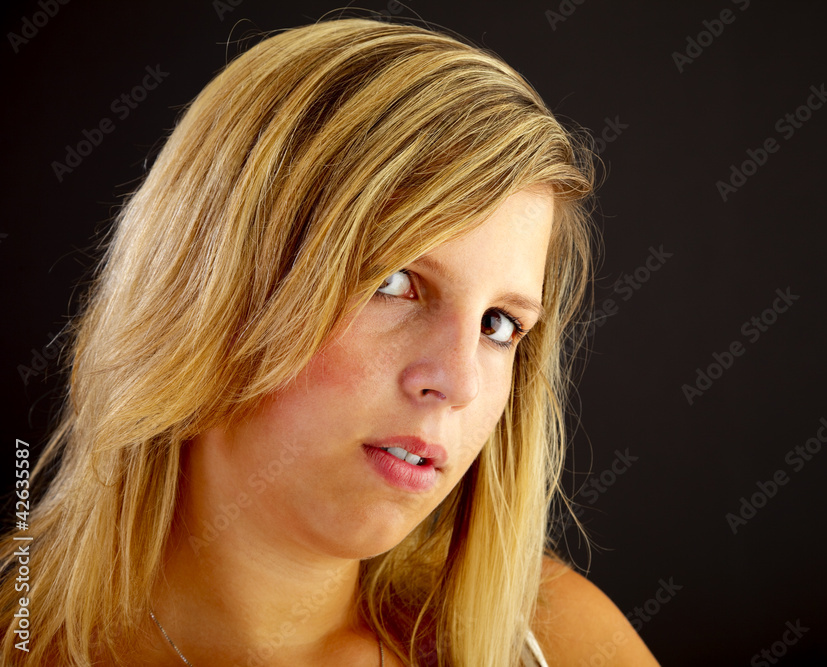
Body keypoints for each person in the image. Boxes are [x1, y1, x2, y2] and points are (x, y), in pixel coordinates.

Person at [0, 16, 659, 666]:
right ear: (215, 281)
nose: (459, 382)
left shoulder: (560, 638)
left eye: (498, 324)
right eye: (396, 282)